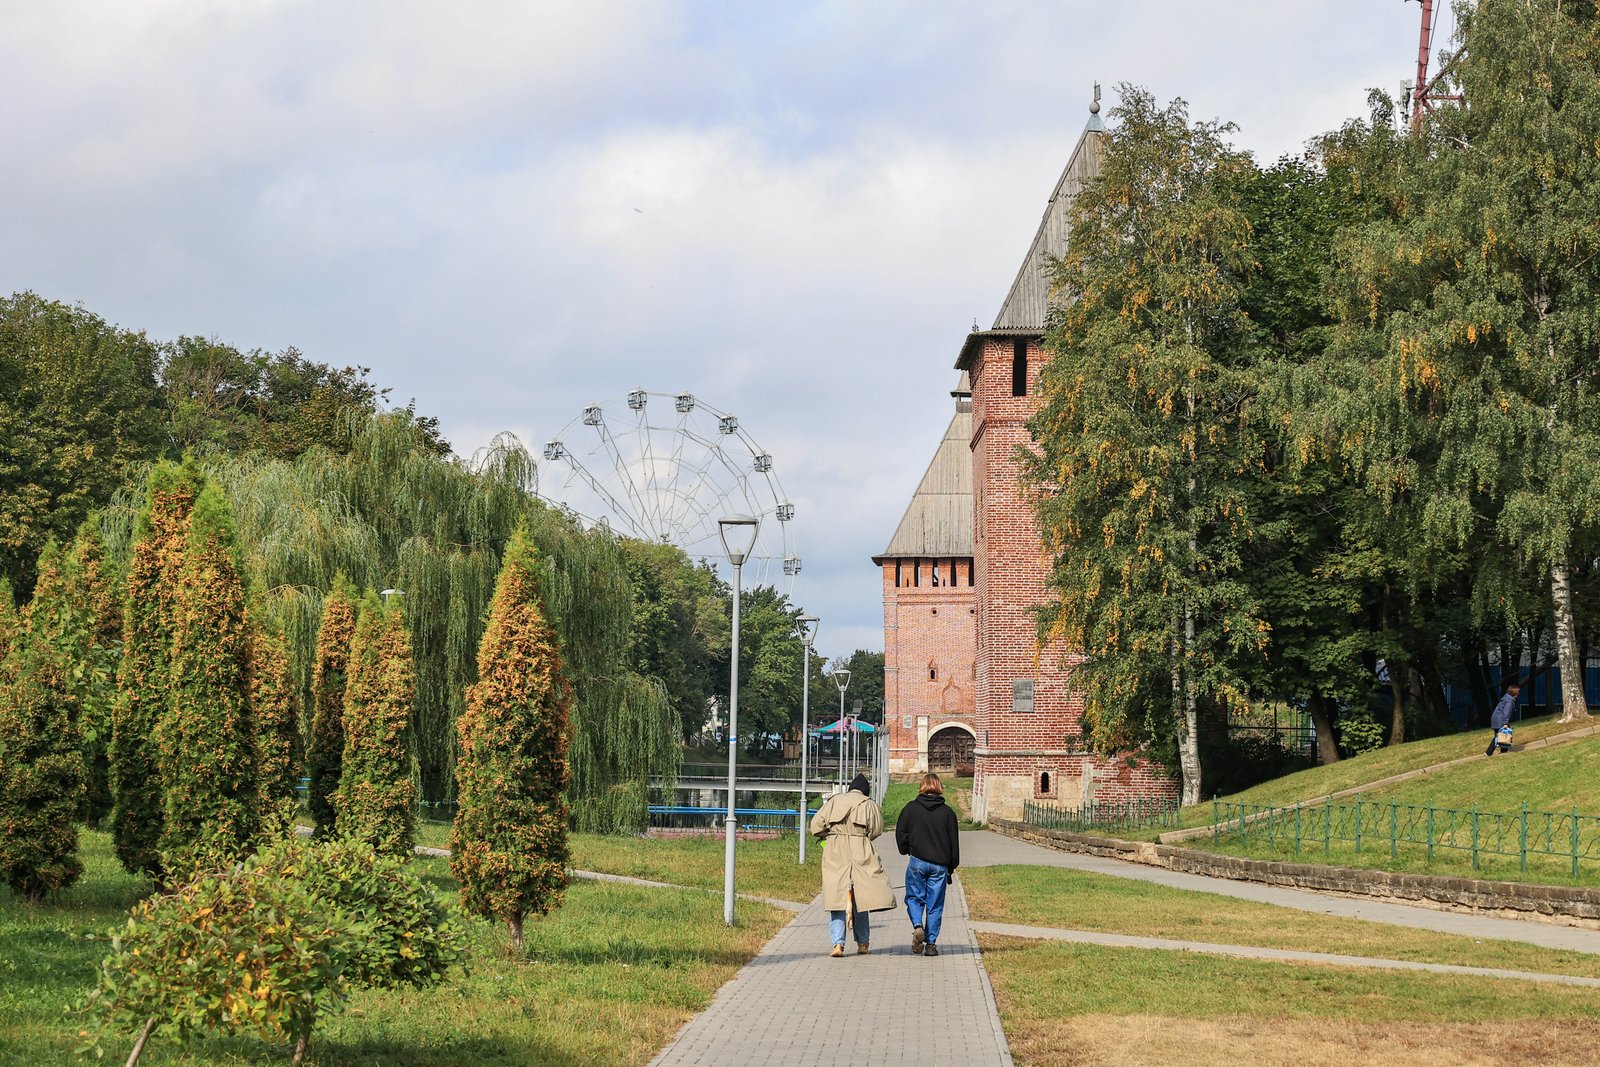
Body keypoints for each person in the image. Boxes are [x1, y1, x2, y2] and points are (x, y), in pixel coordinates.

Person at [810, 773, 895, 957]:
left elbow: (815, 826)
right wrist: (862, 838)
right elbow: (877, 829)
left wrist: (831, 834)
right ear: (865, 791)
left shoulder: (834, 801)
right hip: (860, 848)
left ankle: (838, 944)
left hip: (835, 849)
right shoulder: (869, 804)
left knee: (836, 898)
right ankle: (863, 943)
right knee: (861, 898)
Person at [895, 771, 960, 958]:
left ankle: (917, 926)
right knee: (935, 905)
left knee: (914, 898)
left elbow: (901, 833)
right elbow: (953, 843)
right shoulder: (948, 813)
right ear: (939, 788)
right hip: (939, 866)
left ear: (922, 787)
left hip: (917, 861)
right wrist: (951, 867)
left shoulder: (910, 809)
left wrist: (905, 849)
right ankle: (931, 944)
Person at [1486, 681, 1521, 756]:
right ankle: (1490, 753)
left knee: (1501, 735)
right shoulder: (1510, 700)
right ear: (1514, 692)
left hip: (1496, 719)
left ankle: (1502, 752)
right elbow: (1506, 712)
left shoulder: (1506, 697)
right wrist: (1505, 723)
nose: (1519, 693)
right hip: (1500, 720)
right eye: (1518, 691)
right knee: (1503, 735)